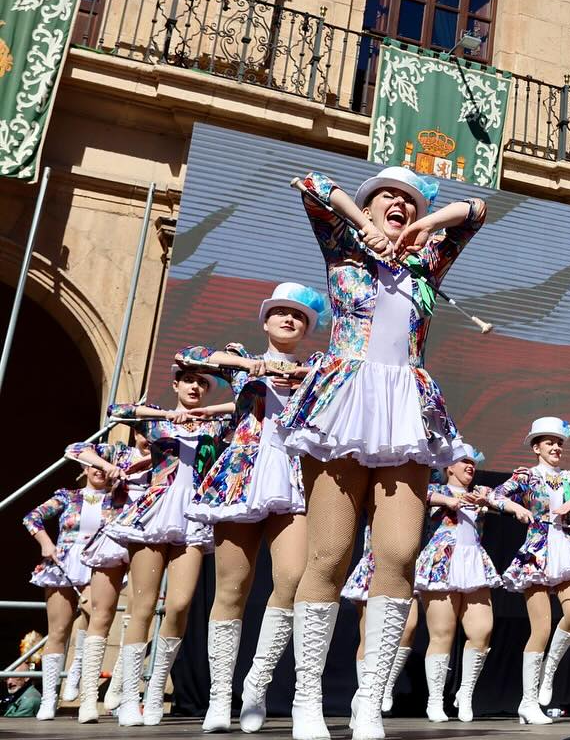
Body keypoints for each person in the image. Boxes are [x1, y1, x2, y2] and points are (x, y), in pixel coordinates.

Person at [280, 166, 485, 740]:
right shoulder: (341, 249)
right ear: (369, 206)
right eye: (387, 197)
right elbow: (311, 183)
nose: (397, 204)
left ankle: (370, 699)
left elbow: (474, 213)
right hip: (344, 399)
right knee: (329, 554)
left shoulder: (429, 262)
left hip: (404, 406)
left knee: (398, 552)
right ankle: (307, 700)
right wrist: (359, 223)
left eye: (408, 199)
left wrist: (423, 224)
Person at [182, 282, 327, 733]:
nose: (289, 320)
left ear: (306, 328)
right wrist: (250, 364)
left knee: (291, 579)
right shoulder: (240, 358)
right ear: (265, 321)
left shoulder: (317, 367)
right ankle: (219, 696)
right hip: (242, 471)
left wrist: (299, 377)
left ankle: (256, 684)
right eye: (281, 313)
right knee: (232, 586)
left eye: (299, 316)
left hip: (293, 473)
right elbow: (191, 354)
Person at [105, 367, 235, 726]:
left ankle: (155, 690)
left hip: (193, 515)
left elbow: (243, 405)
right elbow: (116, 410)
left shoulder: (214, 426)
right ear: (175, 384)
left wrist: (207, 411)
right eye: (189, 381)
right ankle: (129, 696)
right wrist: (164, 414)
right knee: (143, 606)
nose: (195, 387)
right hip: (156, 512)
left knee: (178, 605)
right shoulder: (158, 424)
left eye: (202, 383)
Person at [495, 417, 570, 724]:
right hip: (538, 549)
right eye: (550, 442)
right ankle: (528, 702)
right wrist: (517, 508)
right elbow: (496, 495)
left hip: (567, 547)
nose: (556, 447)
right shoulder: (527, 476)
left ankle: (548, 673)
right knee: (541, 629)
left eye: (559, 442)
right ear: (536, 447)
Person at [415, 446, 526, 723]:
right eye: (464, 461)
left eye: (473, 462)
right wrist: (449, 501)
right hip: (442, 561)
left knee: (482, 630)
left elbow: (501, 500)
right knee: (442, 633)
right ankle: (435, 700)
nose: (470, 466)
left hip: (474, 561)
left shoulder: (481, 493)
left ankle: (465, 693)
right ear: (448, 467)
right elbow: (420, 495)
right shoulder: (432, 489)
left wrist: (517, 507)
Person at [22, 459, 127, 719]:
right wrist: (46, 543)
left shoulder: (119, 500)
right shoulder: (67, 497)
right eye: (94, 465)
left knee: (94, 614)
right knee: (58, 630)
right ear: (85, 469)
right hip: (64, 562)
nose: (99, 470)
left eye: (105, 466)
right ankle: (48, 699)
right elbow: (31, 517)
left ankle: (78, 670)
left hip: (99, 563)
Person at [66, 432, 151, 723]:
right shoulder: (121, 453)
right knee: (101, 614)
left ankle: (118, 686)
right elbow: (75, 448)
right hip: (115, 534)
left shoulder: (169, 457)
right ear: (138, 431)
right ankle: (88, 699)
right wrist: (107, 464)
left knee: (141, 614)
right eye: (146, 429)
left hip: (150, 535)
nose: (151, 436)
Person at [342, 526, 420, 718]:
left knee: (409, 627)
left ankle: (385, 684)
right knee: (368, 637)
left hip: (405, 566)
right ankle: (365, 697)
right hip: (374, 562)